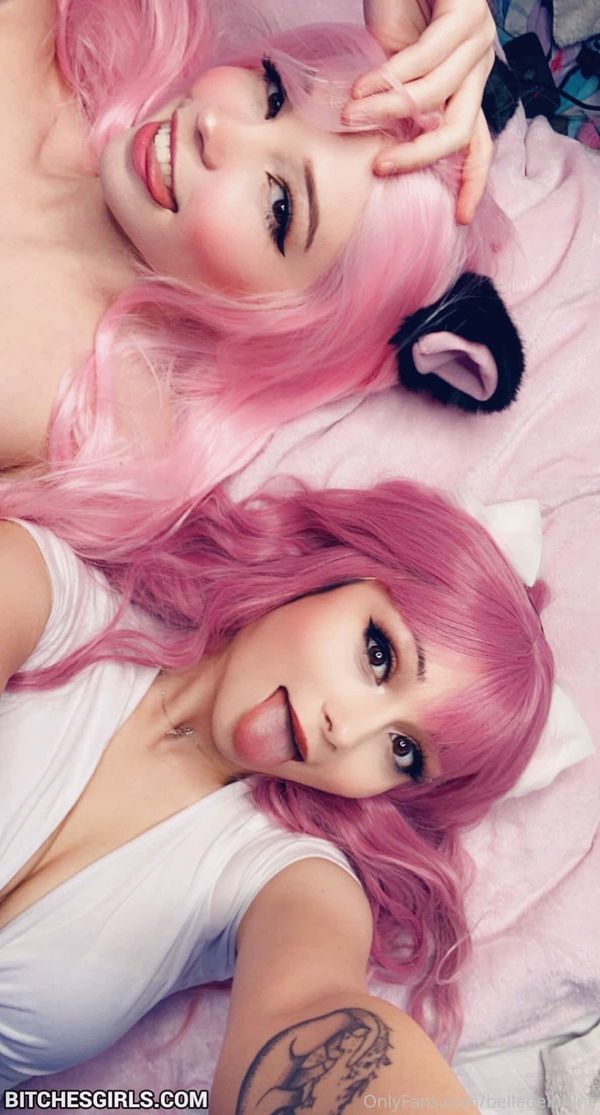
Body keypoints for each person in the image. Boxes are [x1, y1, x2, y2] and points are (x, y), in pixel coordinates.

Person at [0, 476, 554, 1108]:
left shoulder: (290, 879)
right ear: (332, 574)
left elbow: (314, 1009)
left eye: (403, 749)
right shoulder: (39, 592)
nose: (346, 730)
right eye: (379, 656)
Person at [1, 0, 500, 564]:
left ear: (286, 318)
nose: (214, 127)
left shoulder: (75, 423)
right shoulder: (27, 31)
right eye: (273, 94)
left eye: (280, 205)